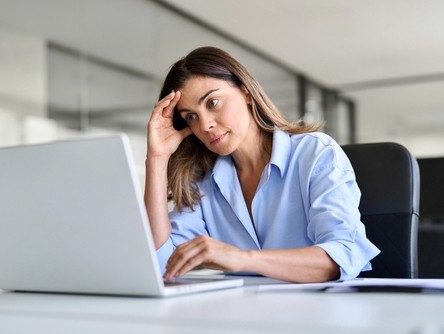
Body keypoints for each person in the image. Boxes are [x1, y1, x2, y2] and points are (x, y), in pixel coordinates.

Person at [145, 46, 380, 283]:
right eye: (191, 117)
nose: (205, 125)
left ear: (246, 92)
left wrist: (243, 259)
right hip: (246, 314)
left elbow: (344, 255)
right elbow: (162, 263)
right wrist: (157, 158)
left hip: (318, 311)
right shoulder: (202, 181)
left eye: (213, 102)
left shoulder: (315, 154)